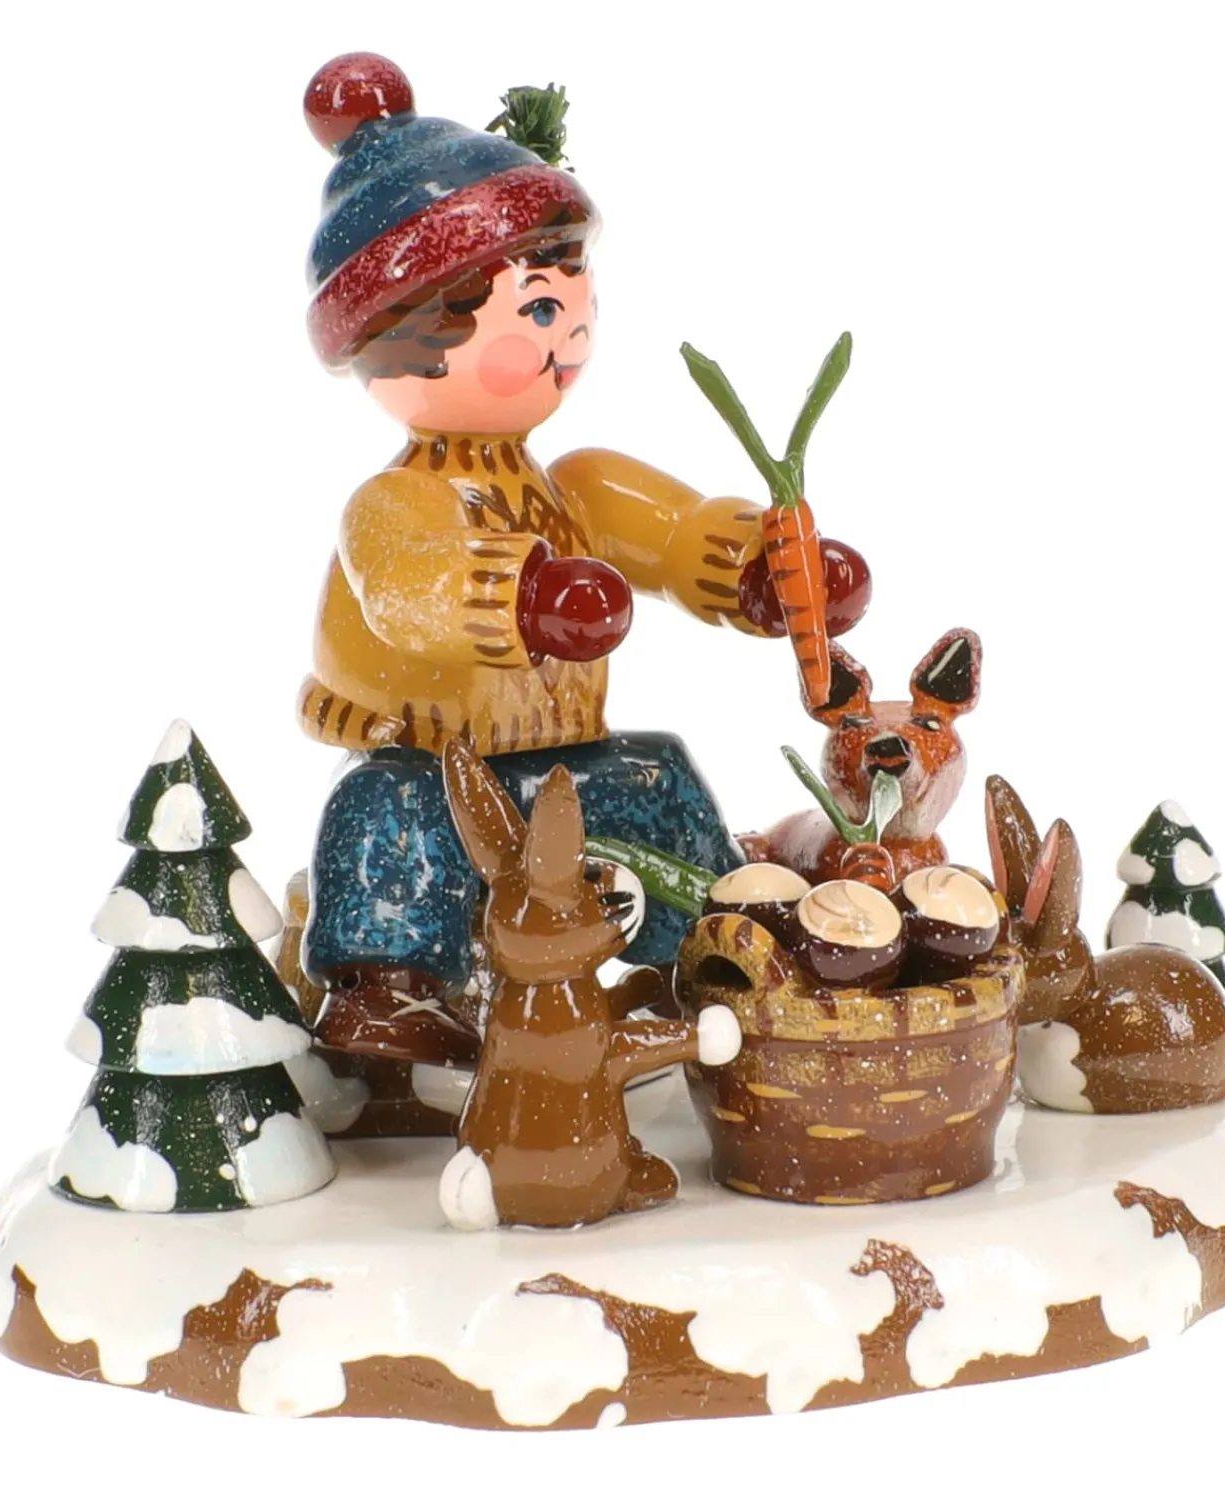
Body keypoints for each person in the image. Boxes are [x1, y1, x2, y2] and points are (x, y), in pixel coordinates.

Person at [296, 55, 871, 1055]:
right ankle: (388, 986)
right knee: (382, 809)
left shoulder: (579, 487)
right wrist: (524, 599)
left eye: (575, 302)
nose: (568, 335)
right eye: (536, 310)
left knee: (655, 775)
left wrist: (767, 574)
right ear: (406, 335)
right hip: (436, 760)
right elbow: (411, 589)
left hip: (564, 762)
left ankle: (714, 945)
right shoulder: (396, 500)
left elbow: (677, 530)